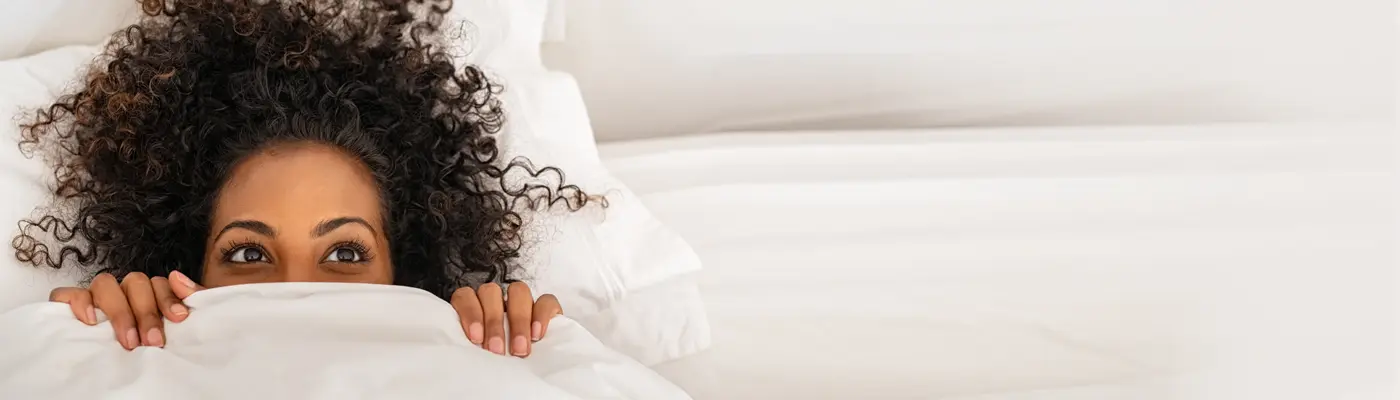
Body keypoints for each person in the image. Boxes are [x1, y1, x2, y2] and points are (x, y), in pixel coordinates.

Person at [9, 0, 597, 358]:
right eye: (247, 254)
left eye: (345, 252)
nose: (296, 290)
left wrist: (519, 351)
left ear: (403, 271)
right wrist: (81, 343)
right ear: (192, 273)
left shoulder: (481, 358)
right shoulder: (130, 358)